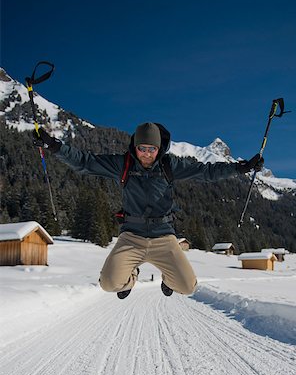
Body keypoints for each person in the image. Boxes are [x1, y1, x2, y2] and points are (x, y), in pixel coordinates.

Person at [33, 122, 264, 299]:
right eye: (142, 148)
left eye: (151, 149)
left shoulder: (169, 166)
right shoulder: (122, 164)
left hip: (164, 237)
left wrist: (241, 167)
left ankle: (168, 278)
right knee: (108, 284)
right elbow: (85, 162)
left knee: (188, 287)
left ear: (159, 148)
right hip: (131, 237)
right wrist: (54, 146)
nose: (146, 154)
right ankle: (132, 276)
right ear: (135, 147)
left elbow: (206, 172)